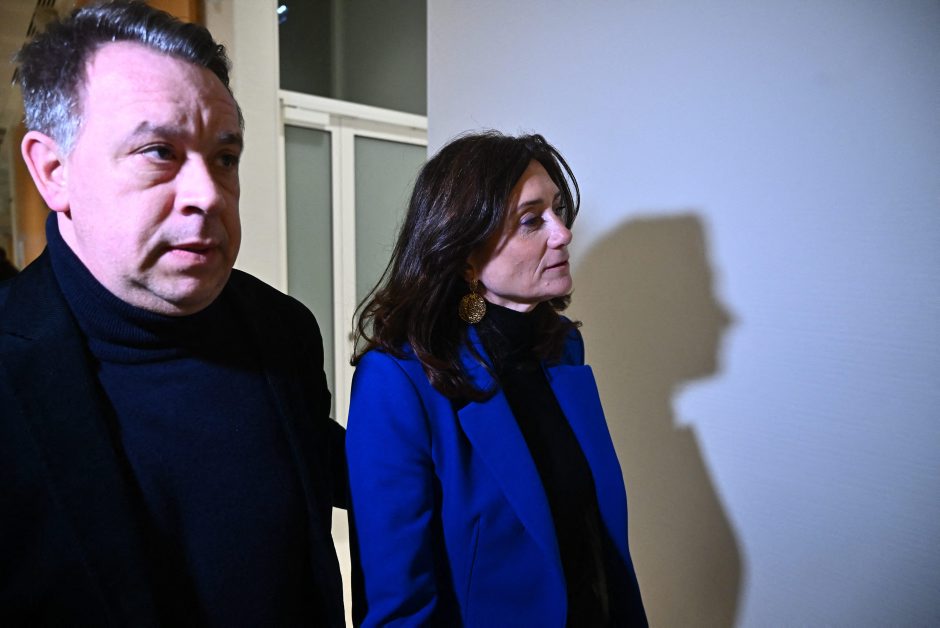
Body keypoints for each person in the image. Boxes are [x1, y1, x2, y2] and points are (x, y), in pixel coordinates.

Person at [0, 2, 345, 625]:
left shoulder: (284, 330)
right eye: (159, 151)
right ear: (53, 172)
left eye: (225, 158)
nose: (208, 195)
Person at [346, 131, 648, 626]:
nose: (563, 233)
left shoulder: (563, 348)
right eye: (532, 220)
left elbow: (593, 541)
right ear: (466, 254)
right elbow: (400, 603)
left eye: (558, 210)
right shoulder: (396, 381)